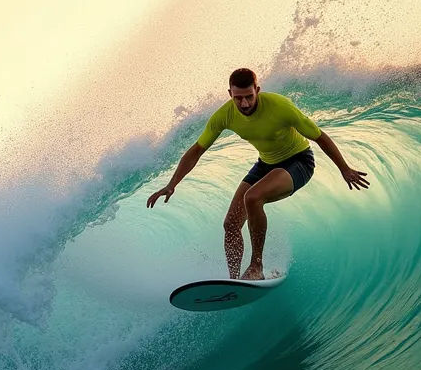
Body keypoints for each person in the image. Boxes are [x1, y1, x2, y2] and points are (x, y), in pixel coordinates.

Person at [146, 68, 370, 280]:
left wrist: (344, 168)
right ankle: (235, 281)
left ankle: (256, 266)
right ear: (230, 94)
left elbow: (319, 136)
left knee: (252, 197)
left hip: (299, 162)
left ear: (257, 90)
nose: (244, 103)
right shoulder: (224, 115)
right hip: (265, 164)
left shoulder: (280, 106)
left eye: (249, 97)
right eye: (238, 98)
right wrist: (172, 184)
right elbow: (197, 150)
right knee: (231, 224)